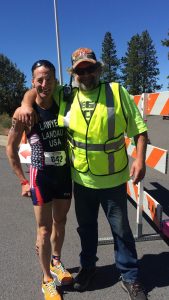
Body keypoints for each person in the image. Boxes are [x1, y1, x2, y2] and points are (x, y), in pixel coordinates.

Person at [20, 48, 148, 300]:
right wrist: (25, 104)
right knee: (86, 229)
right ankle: (88, 268)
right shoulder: (66, 94)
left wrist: (140, 159)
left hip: (113, 178)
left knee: (121, 229)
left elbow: (139, 130)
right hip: (82, 179)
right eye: (80, 70)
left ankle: (130, 276)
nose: (86, 73)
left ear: (98, 69)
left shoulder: (116, 92)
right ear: (74, 73)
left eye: (90, 68)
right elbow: (38, 88)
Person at [6, 60, 73, 300]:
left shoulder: (65, 102)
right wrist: (23, 181)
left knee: (61, 222)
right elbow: (11, 149)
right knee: (43, 231)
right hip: (40, 176)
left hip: (63, 174)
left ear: (56, 80)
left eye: (49, 79)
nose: (44, 84)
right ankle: (46, 279)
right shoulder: (25, 113)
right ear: (33, 81)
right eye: (39, 80)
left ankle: (56, 261)